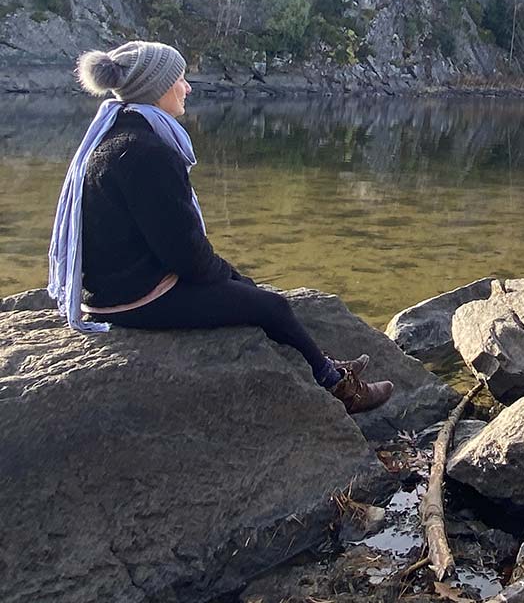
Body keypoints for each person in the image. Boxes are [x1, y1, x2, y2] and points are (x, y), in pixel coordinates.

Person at [47, 39, 393, 415]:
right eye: (181, 79)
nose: (188, 88)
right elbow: (186, 256)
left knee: (244, 287)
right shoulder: (146, 153)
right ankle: (339, 388)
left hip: (113, 291)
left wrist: (229, 276)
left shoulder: (115, 137)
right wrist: (222, 274)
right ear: (157, 88)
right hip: (132, 300)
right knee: (272, 306)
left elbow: (173, 243)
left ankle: (325, 363)